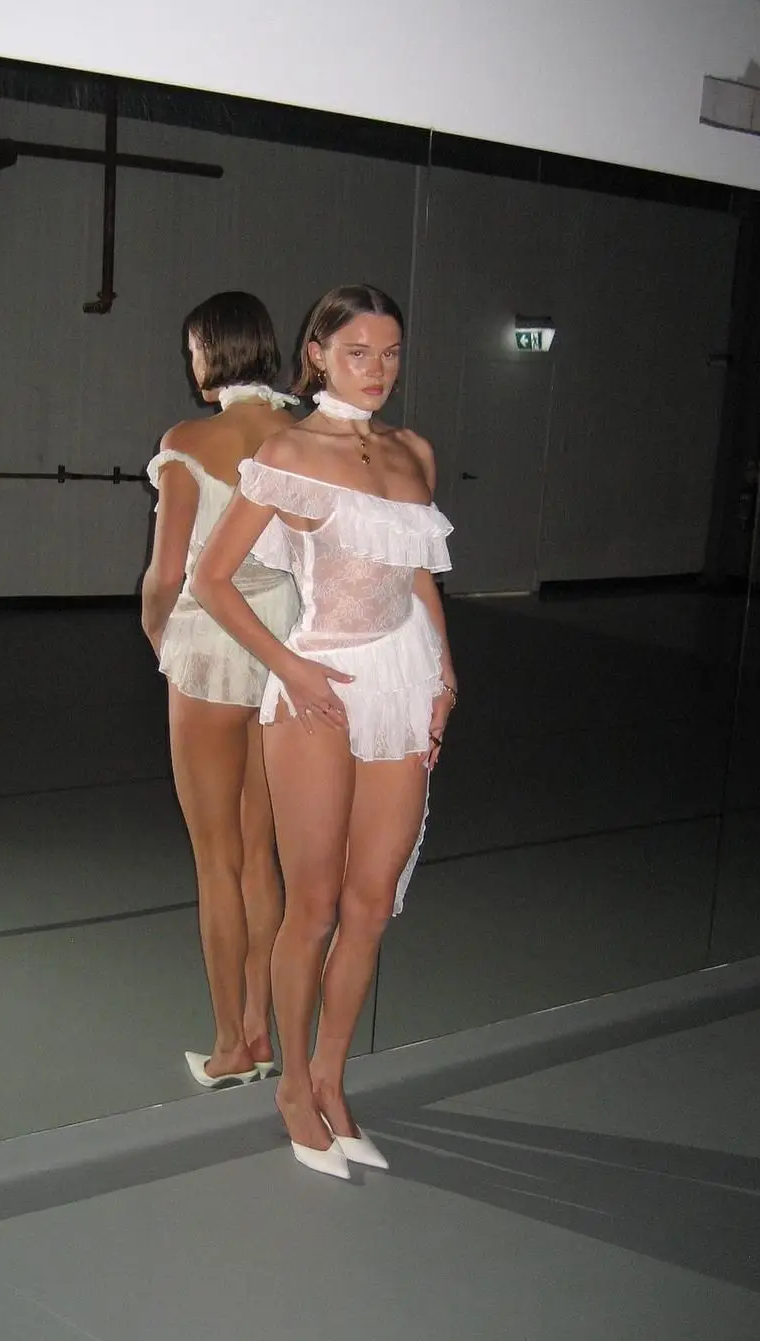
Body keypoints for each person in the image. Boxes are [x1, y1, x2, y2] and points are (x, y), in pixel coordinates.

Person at [191, 284, 457, 1178]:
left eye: (391, 353)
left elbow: (418, 574)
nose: (377, 370)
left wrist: (446, 672)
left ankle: (335, 1081)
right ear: (317, 355)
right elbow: (214, 578)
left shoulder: (413, 452)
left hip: (402, 677)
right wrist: (291, 666)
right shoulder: (290, 451)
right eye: (357, 353)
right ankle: (293, 1088)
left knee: (370, 904)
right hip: (318, 684)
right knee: (312, 905)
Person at [141, 292, 300, 1089]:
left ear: (210, 352)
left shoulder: (189, 442)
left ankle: (231, 1046)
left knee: (216, 860)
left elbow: (166, 574)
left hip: (212, 640)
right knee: (260, 853)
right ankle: (263, 1031)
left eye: (192, 349)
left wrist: (159, 639)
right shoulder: (302, 436)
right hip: (285, 640)